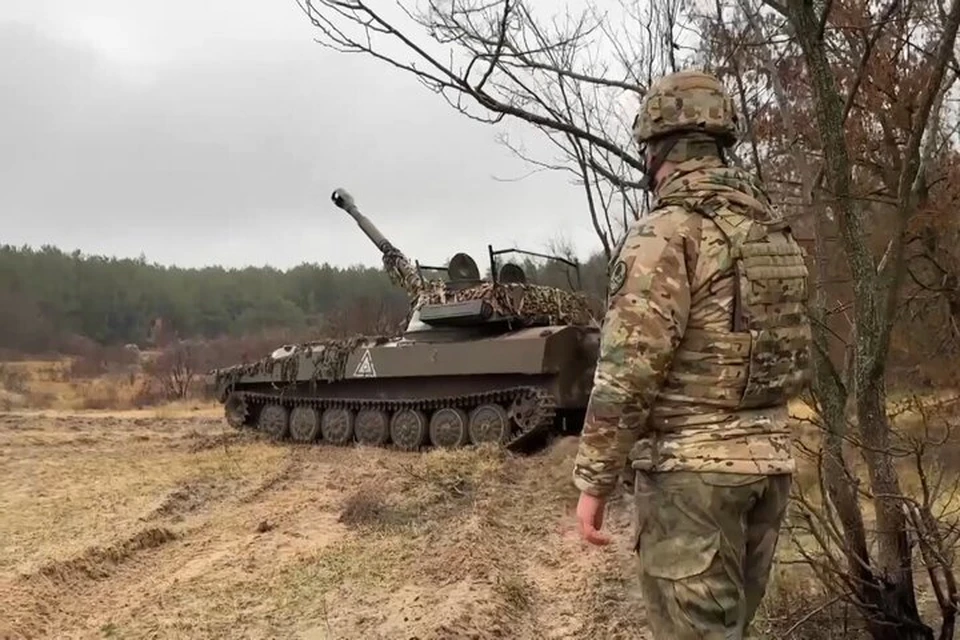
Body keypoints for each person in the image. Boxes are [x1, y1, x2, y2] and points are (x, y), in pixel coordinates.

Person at [572, 68, 812, 639]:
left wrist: (593, 484)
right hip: (767, 468)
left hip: (693, 480)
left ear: (656, 149)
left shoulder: (667, 232)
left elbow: (628, 371)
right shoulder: (765, 227)